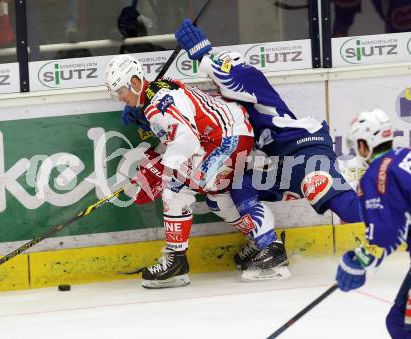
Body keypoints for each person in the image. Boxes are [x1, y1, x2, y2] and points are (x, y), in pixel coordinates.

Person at [174, 19, 362, 280]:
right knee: (239, 184)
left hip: (305, 150)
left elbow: (228, 74)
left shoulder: (248, 78)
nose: (214, 84)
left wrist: (203, 53)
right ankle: (266, 244)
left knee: (347, 208)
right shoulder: (233, 104)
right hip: (284, 164)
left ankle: (398, 210)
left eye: (214, 77)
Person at [105, 54, 258, 288]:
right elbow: (178, 137)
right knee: (217, 198)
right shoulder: (156, 95)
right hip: (225, 136)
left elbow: (186, 141)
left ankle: (176, 262)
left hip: (229, 138)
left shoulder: (157, 103)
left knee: (174, 187)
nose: (121, 99)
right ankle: (264, 242)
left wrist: (161, 172)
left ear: (135, 83)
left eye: (121, 92)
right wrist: (155, 161)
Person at [335, 109, 411, 339]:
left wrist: (357, 261)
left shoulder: (378, 173)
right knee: (400, 322)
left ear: (364, 143)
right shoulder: (405, 156)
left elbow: (385, 235)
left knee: (402, 325)